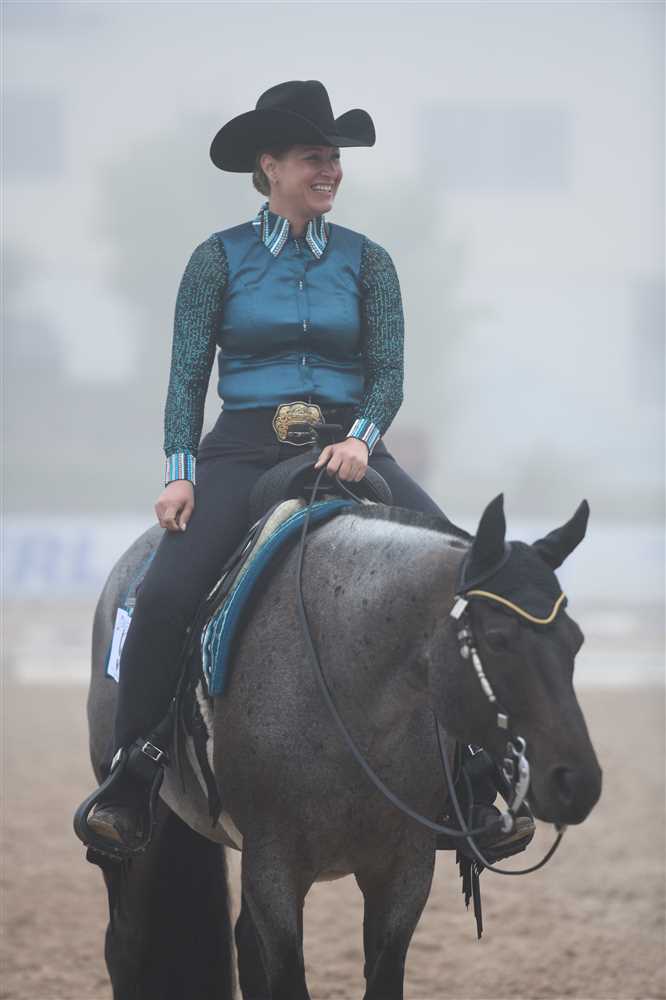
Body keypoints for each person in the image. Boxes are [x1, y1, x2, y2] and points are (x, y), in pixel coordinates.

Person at [76, 80, 533, 857]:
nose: (331, 171)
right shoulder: (215, 260)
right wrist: (180, 472)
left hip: (349, 445)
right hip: (242, 448)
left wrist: (360, 438)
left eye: (335, 159)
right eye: (315, 157)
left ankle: (475, 779)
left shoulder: (370, 262)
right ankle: (135, 771)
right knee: (165, 597)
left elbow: (388, 373)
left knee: (467, 575)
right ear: (271, 165)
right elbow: (187, 376)